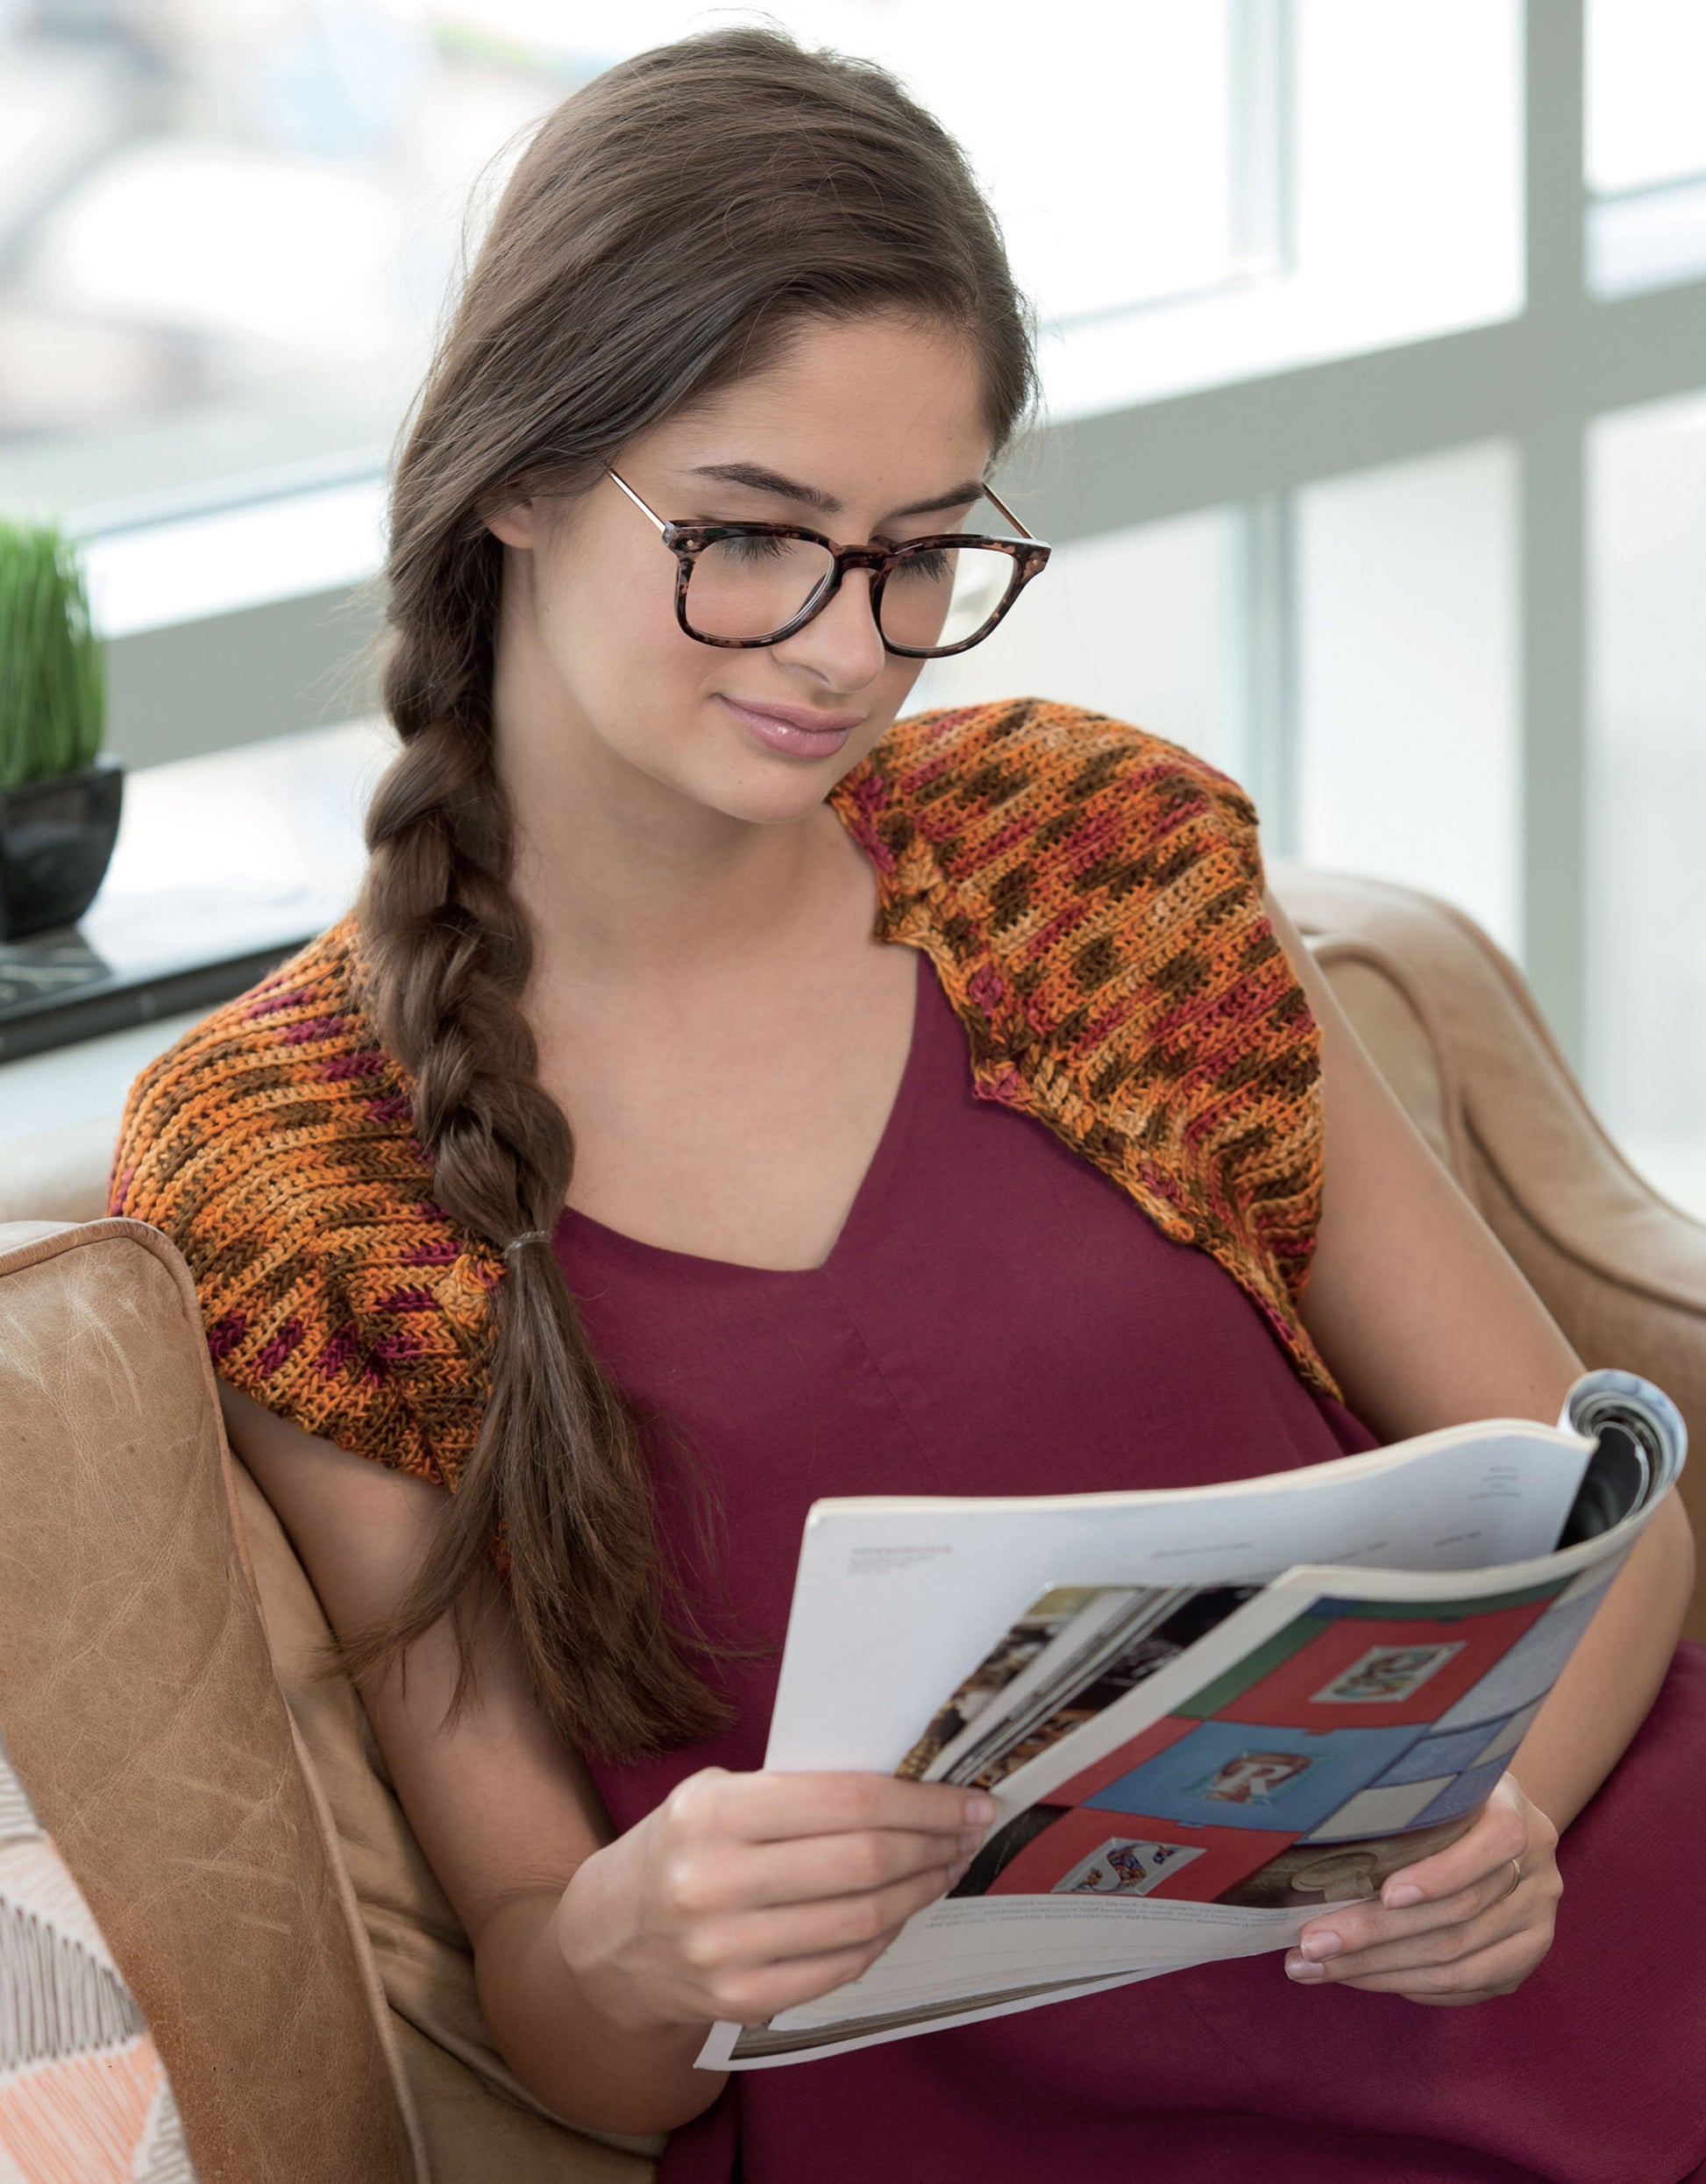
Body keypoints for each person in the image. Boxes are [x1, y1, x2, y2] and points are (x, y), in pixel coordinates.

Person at [110, 27, 1706, 2183]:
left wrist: (1506, 1816)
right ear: (512, 474)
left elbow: (1597, 1510)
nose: (847, 653)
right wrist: (634, 1935)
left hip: (1564, 1987)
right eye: (755, 540)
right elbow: (571, 2020)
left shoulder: (1087, 863)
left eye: (920, 554)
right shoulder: (296, 1163)